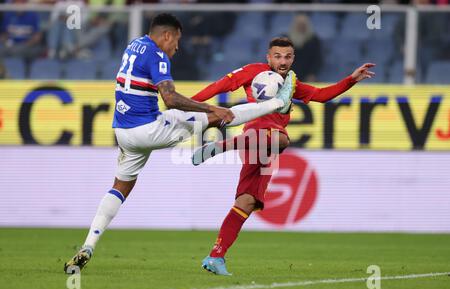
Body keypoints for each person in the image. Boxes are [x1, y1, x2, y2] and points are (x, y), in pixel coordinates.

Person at [63, 13, 296, 273]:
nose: (177, 47)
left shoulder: (134, 45)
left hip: (124, 132)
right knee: (220, 115)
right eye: (176, 41)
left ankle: (89, 245)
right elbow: (170, 99)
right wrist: (211, 108)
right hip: (149, 129)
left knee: (120, 187)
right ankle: (277, 103)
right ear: (166, 35)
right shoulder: (158, 55)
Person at [191, 37, 375, 275]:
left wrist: (351, 80)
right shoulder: (253, 71)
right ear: (269, 57)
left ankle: (216, 257)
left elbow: (321, 95)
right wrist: (188, 104)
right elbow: (218, 86)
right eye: (277, 56)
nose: (283, 61)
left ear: (293, 59)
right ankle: (224, 145)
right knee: (284, 139)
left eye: (287, 56)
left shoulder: (291, 82)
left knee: (245, 203)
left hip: (265, 151)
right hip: (255, 134)